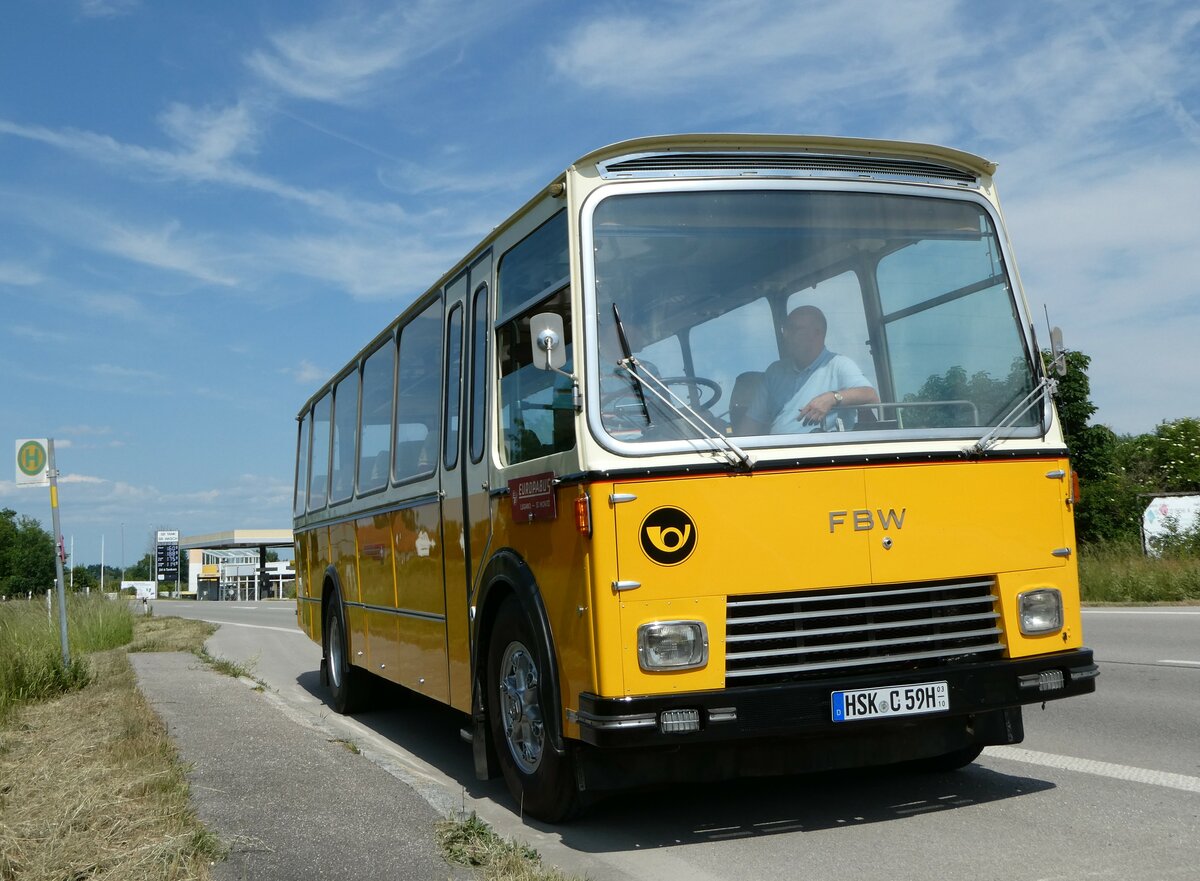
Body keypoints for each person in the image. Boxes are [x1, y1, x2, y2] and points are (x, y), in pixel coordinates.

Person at [740, 305, 879, 435]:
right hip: (775, 455)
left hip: (818, 454)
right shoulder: (775, 371)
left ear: (817, 333)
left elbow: (870, 396)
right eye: (785, 330)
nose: (786, 336)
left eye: (794, 329)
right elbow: (752, 422)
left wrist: (832, 398)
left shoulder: (838, 365)